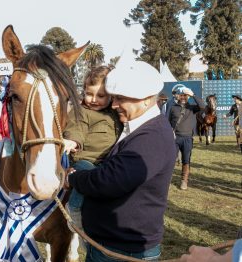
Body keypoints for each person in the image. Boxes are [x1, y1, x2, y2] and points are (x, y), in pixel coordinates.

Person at [64, 57, 176, 261]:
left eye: (120, 98)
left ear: (146, 98)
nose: (113, 105)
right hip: (110, 246)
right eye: (113, 98)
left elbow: (109, 181)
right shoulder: (136, 128)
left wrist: (73, 178)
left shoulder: (152, 137)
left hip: (122, 252)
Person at [63, 66, 123, 229]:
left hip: (106, 162)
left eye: (101, 95)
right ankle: (74, 208)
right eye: (89, 94)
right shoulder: (82, 112)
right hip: (84, 160)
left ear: (111, 95)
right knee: (87, 176)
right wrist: (73, 141)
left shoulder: (115, 112)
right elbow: (77, 128)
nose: (94, 99)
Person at [168, 85, 205, 190]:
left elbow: (203, 106)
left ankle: (184, 181)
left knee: (186, 160)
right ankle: (167, 179)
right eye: (181, 95)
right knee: (171, 160)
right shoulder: (172, 108)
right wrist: (170, 132)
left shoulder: (192, 107)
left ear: (188, 97)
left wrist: (193, 95)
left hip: (188, 138)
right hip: (175, 138)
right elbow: (167, 122)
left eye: (185, 96)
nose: (183, 97)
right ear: (178, 97)